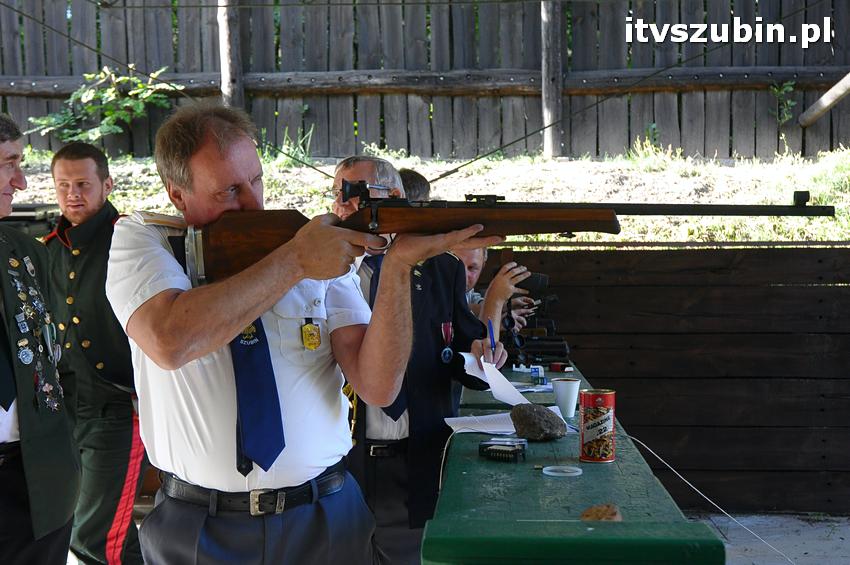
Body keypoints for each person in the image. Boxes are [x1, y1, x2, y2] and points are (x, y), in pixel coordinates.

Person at [104, 103, 499, 565]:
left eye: (256, 180)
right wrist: (294, 262)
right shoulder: (145, 241)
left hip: (325, 512)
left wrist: (397, 266)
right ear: (178, 196)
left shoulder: (309, 248)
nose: (252, 202)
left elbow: (377, 385)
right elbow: (170, 341)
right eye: (229, 190)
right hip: (198, 524)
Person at [333, 156, 507, 564]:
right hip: (340, 462)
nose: (343, 206)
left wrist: (485, 356)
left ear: (393, 198)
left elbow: (468, 348)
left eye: (354, 193)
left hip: (419, 456)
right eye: (337, 194)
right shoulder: (325, 270)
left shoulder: (442, 268)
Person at [44, 142, 145, 565]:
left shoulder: (132, 239)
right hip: (64, 409)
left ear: (107, 184)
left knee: (100, 537)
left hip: (119, 406)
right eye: (63, 185)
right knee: (87, 529)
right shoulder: (49, 247)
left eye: (83, 184)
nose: (73, 194)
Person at [0, 114, 80, 564]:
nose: (23, 182)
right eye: (10, 163)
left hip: (35, 483)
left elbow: (55, 359)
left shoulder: (27, 253)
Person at [453, 247, 536, 338]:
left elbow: (470, 304)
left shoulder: (466, 291)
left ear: (483, 266)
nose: (463, 275)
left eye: (472, 268)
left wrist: (502, 308)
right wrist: (495, 302)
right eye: (456, 265)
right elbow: (455, 308)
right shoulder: (437, 290)